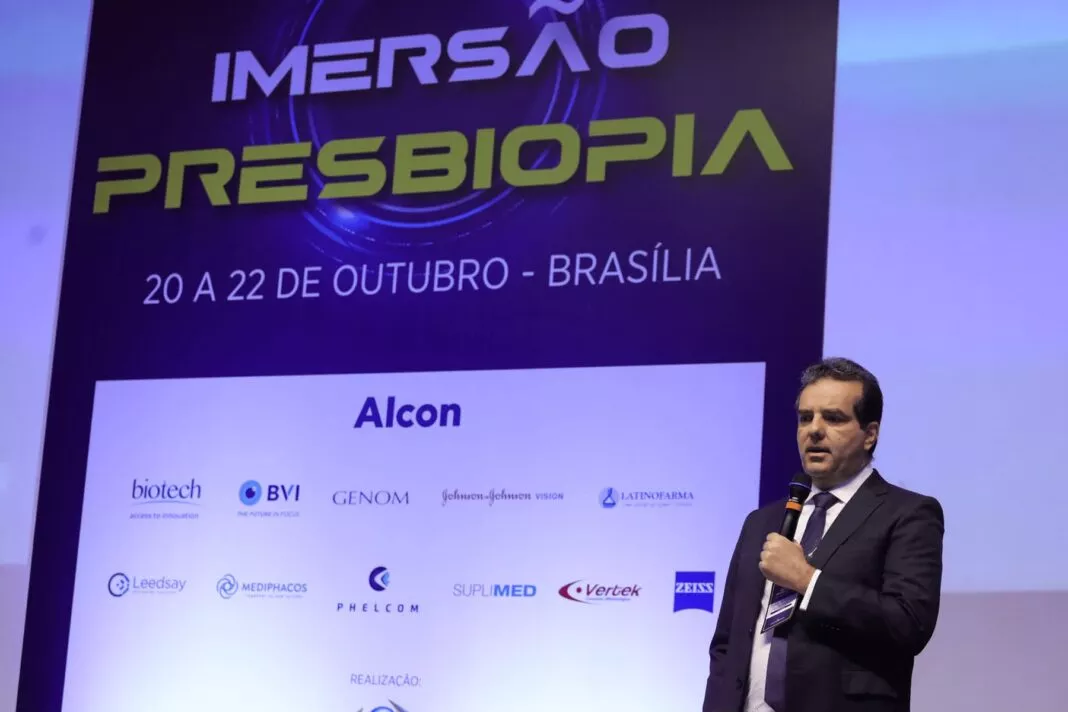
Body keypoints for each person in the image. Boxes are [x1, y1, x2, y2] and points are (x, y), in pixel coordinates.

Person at [702, 357, 944, 712]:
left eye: (833, 418)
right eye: (805, 418)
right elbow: (727, 644)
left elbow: (908, 623)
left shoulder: (907, 513)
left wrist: (807, 580)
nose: (814, 430)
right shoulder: (761, 521)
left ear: (870, 434)